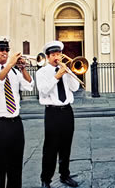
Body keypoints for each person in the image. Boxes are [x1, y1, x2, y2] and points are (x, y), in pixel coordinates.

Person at [0, 36, 33, 188]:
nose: (5, 52)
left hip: (15, 122)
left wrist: (23, 69)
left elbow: (29, 86)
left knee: (16, 164)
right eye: (1, 49)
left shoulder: (14, 72)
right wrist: (10, 64)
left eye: (7, 50)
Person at [37, 41, 80, 188]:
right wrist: (56, 76)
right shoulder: (41, 72)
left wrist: (69, 73)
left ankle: (65, 175)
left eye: (58, 54)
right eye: (53, 55)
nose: (57, 57)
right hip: (52, 112)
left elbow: (75, 88)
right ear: (48, 57)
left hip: (67, 111)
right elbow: (43, 91)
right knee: (50, 148)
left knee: (66, 146)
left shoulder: (66, 69)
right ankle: (46, 179)